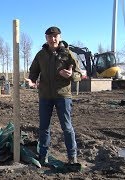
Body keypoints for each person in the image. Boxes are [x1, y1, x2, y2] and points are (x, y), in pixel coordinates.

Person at [25, 26, 82, 165]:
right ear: (46, 38)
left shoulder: (69, 54)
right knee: (44, 127)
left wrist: (71, 75)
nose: (53, 39)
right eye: (50, 37)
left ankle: (72, 156)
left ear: (60, 37)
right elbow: (33, 72)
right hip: (45, 96)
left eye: (55, 36)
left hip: (63, 96)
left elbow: (79, 74)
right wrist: (31, 81)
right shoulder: (40, 55)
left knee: (67, 127)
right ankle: (43, 155)